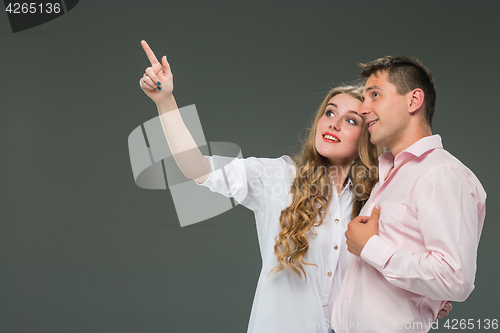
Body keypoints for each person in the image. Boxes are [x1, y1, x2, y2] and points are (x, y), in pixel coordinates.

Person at [137, 42, 452, 332]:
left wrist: (423, 300)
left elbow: (406, 268)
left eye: (351, 120)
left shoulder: (379, 198)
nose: (334, 123)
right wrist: (166, 101)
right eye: (329, 113)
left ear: (367, 136)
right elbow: (197, 168)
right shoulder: (278, 178)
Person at [332, 56, 486, 332]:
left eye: (375, 95)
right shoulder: (388, 175)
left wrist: (372, 248)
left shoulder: (441, 174)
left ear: (414, 101)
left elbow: (455, 278)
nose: (364, 108)